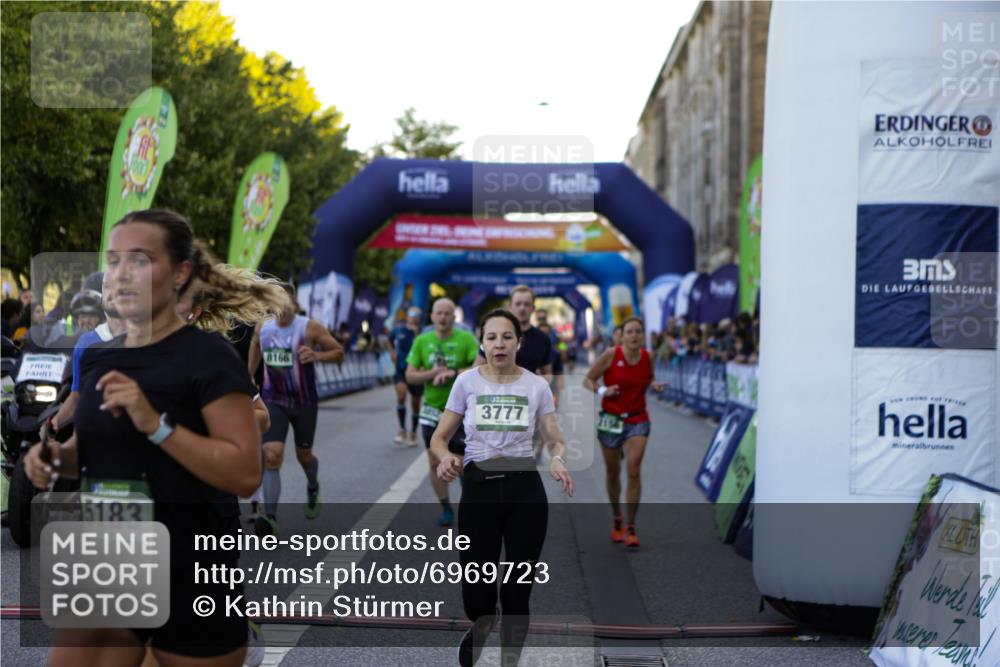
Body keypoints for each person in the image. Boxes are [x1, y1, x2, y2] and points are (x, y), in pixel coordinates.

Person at [24, 208, 261, 665]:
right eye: (113, 261)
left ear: (180, 273)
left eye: (139, 259)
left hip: (192, 571)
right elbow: (92, 453)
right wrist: (53, 458)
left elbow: (245, 472)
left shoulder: (207, 356)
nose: (122, 273)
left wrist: (156, 424)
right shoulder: (96, 359)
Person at [432, 309, 573, 667]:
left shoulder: (536, 386)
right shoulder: (466, 383)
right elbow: (439, 437)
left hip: (525, 492)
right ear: (482, 342)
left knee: (516, 592)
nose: (499, 343)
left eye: (507, 337)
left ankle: (510, 661)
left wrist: (557, 459)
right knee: (477, 600)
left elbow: (555, 439)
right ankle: (481, 625)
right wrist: (446, 456)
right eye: (492, 337)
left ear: (518, 342)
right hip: (479, 491)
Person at [248, 283, 344, 537]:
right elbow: (255, 345)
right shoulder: (263, 327)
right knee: (272, 455)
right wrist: (248, 376)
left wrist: (317, 356)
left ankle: (312, 484)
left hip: (304, 402)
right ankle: (269, 518)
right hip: (273, 400)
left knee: (304, 456)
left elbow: (338, 352)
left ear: (294, 304)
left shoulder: (309, 327)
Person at [583, 317, 664, 549]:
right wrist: (603, 390)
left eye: (638, 331)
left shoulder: (648, 357)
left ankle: (631, 525)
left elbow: (647, 378)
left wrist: (654, 384)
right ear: (623, 335)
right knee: (612, 472)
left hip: (638, 418)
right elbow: (588, 380)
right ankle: (617, 516)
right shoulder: (611, 355)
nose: (634, 336)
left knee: (634, 469)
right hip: (611, 419)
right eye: (630, 332)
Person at [405, 297, 478, 527]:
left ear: (454, 318)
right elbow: (410, 375)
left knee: (465, 461)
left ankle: (470, 503)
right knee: (435, 460)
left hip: (462, 410)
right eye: (439, 313)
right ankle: (446, 507)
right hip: (432, 409)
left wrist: (453, 372)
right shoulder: (422, 341)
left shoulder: (466, 339)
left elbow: (480, 367)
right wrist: (432, 374)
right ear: (433, 316)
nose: (443, 317)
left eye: (448, 313)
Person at [387, 307, 423, 446]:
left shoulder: (421, 333)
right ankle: (402, 430)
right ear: (407, 316)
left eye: (417, 315)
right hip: (401, 370)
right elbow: (388, 341)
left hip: (416, 372)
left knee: (415, 404)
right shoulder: (398, 330)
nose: (414, 317)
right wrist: (392, 353)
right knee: (401, 397)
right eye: (412, 314)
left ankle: (413, 433)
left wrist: (416, 333)